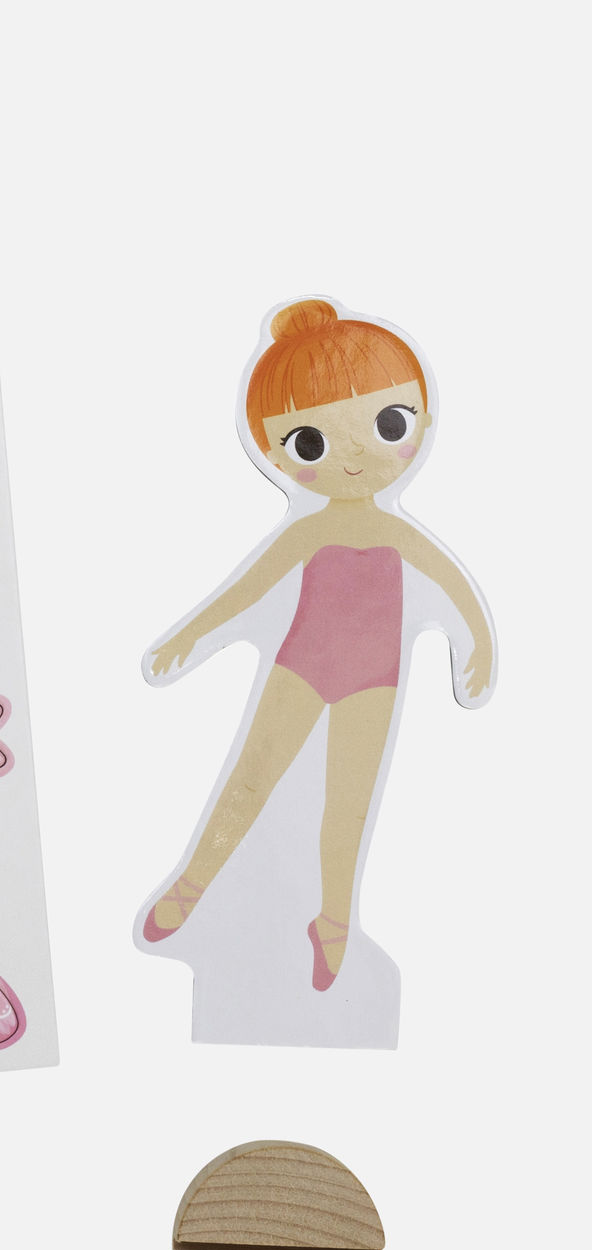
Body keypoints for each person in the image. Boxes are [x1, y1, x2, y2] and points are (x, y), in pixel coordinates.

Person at [140, 299, 494, 991]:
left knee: (348, 807)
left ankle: (334, 920)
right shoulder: (309, 530)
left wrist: (476, 644)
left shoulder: (399, 534)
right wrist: (188, 635)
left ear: (422, 420)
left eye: (387, 424)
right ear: (275, 452)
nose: (356, 454)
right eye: (312, 443)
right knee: (250, 779)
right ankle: (191, 884)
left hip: (374, 682)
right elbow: (246, 592)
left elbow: (457, 589)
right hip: (300, 670)